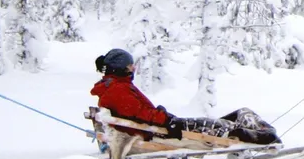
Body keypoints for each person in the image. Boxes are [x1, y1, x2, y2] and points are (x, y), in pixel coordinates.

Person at [91, 48, 281, 146]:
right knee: (226, 127)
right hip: (165, 129)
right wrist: (165, 119)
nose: (133, 69)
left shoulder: (115, 87)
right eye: (130, 66)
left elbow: (138, 112)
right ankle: (266, 137)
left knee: (237, 115)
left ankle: (263, 132)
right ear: (120, 68)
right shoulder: (117, 90)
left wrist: (163, 117)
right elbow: (141, 113)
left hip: (165, 126)